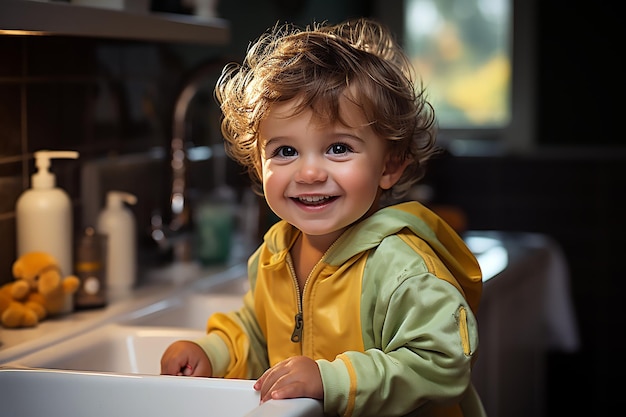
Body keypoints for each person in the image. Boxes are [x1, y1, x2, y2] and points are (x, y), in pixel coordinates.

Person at [161, 17, 485, 417]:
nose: (309, 173)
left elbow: (444, 363)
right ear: (259, 166)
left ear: (391, 164)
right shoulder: (275, 255)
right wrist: (210, 352)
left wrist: (331, 380)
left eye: (337, 148)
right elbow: (257, 331)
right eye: (285, 152)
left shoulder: (403, 268)